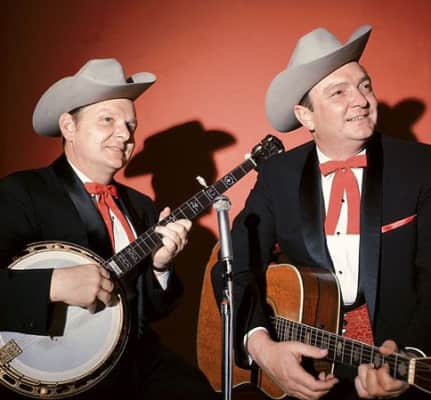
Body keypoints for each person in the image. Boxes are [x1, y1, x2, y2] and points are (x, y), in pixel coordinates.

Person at [212, 25, 431, 399]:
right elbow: (233, 264)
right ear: (306, 116)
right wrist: (261, 346)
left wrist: (411, 354)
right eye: (339, 92)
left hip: (397, 359)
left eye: (364, 85)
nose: (361, 100)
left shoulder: (421, 165)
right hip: (308, 368)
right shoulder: (277, 175)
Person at [0, 58, 217, 399]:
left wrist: (160, 267)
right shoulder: (22, 193)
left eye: (131, 125)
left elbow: (152, 312)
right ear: (68, 126)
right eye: (108, 120)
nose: (125, 134)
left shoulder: (142, 207)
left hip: (136, 360)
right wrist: (53, 284)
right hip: (58, 376)